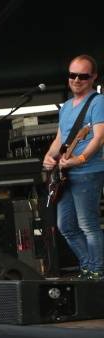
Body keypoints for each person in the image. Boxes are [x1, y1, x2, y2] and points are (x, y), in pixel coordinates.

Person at [42, 54, 104, 280]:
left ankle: (97, 272)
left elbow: (99, 138)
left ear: (93, 77)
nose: (77, 80)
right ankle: (90, 266)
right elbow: (60, 138)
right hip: (65, 173)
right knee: (65, 226)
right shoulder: (66, 106)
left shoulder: (98, 102)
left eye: (83, 76)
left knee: (88, 225)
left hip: (88, 173)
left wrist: (81, 159)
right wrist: (49, 157)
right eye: (72, 75)